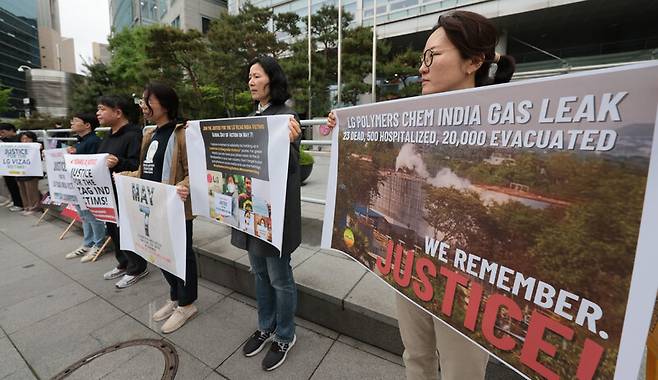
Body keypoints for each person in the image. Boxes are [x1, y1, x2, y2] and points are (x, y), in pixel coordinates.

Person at [326, 10, 516, 380]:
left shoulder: (500, 126)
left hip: (466, 280)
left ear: (473, 62)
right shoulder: (414, 117)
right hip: (410, 261)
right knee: (416, 357)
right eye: (422, 58)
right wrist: (342, 127)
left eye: (434, 56)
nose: (423, 67)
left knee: (461, 370)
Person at [233, 56, 302, 371]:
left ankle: (285, 335)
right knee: (259, 273)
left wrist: (291, 142)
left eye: (256, 75)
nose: (250, 81)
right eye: (249, 76)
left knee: (279, 276)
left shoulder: (285, 116)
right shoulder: (251, 117)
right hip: (251, 208)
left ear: (271, 80)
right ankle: (266, 325)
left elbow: (291, 168)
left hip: (275, 213)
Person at [118, 82, 198, 334]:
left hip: (176, 208)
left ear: (164, 104)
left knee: (182, 255)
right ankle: (174, 296)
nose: (143, 105)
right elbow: (146, 170)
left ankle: (187, 304)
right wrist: (126, 176)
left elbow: (195, 170)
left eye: (147, 100)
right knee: (159, 252)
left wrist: (184, 186)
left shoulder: (184, 133)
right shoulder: (150, 134)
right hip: (150, 206)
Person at [96, 94, 149, 289]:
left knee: (126, 229)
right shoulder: (109, 135)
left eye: (102, 109)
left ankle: (137, 267)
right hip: (107, 192)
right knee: (112, 228)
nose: (98, 113)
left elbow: (138, 165)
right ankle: (124, 262)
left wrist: (119, 162)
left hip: (124, 192)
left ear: (118, 112)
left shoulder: (134, 135)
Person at [64, 113, 107, 263]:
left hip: (89, 186)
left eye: (75, 121)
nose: (72, 123)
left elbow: (93, 163)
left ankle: (98, 243)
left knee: (93, 216)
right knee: (84, 215)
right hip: (78, 185)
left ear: (87, 125)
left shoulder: (94, 141)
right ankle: (88, 243)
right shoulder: (79, 141)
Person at [16, 131, 43, 216]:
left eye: (27, 138)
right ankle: (26, 206)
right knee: (22, 190)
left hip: (32, 172)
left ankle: (34, 207)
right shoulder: (17, 147)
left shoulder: (36, 146)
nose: (25, 140)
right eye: (23, 139)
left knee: (31, 190)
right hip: (20, 171)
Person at [0, 123, 24, 212]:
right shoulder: (4, 140)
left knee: (16, 185)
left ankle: (20, 203)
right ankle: (14, 201)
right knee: (9, 183)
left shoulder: (19, 138)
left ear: (11, 130)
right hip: (7, 166)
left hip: (19, 166)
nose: (2, 135)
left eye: (3, 132)